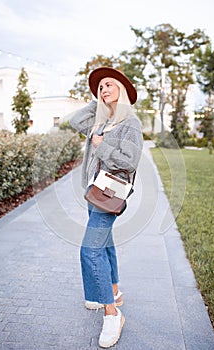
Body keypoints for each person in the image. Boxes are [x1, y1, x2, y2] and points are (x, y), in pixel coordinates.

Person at [69, 66, 143, 348]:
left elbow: (129, 161)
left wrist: (100, 146)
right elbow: (77, 121)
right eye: (101, 87)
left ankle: (112, 313)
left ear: (122, 90)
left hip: (110, 193)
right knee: (106, 244)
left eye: (110, 85)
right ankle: (112, 290)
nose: (104, 90)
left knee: (91, 249)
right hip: (94, 192)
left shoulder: (130, 123)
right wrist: (97, 100)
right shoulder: (101, 121)